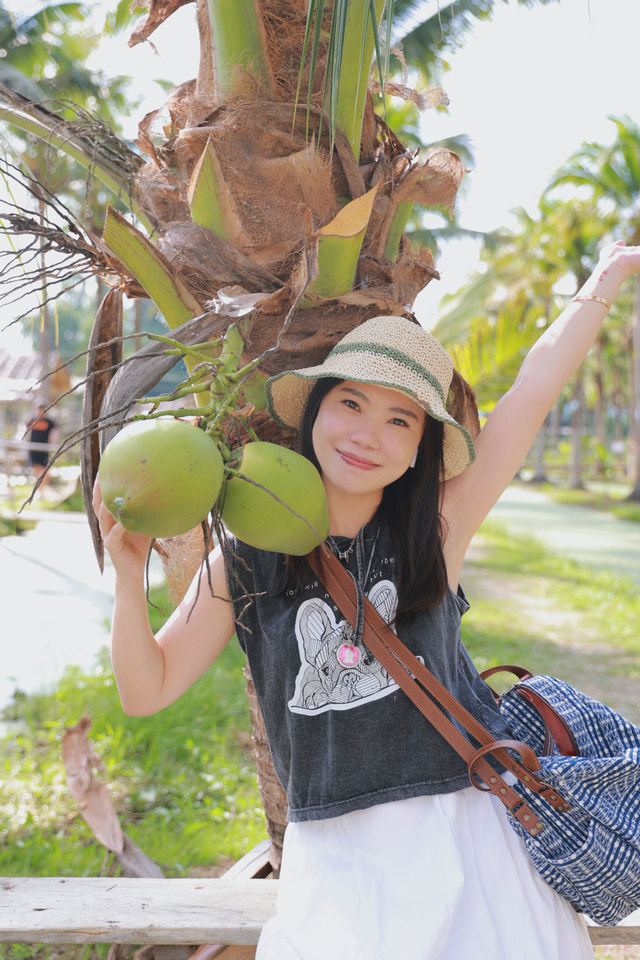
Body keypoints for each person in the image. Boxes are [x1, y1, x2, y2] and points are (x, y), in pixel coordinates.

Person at [94, 240, 640, 959]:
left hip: (466, 838)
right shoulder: (247, 558)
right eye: (350, 403)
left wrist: (608, 276)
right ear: (314, 412)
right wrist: (130, 573)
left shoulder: (436, 530)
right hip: (337, 860)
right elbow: (147, 690)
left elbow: (533, 391)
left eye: (399, 419)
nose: (367, 434)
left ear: (420, 447)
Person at [26, 402, 57, 488]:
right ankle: (39, 489)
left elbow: (55, 431)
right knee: (36, 470)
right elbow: (25, 430)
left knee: (45, 471)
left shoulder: (49, 422)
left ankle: (42, 487)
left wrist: (53, 442)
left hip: (44, 450)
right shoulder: (32, 420)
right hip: (34, 450)